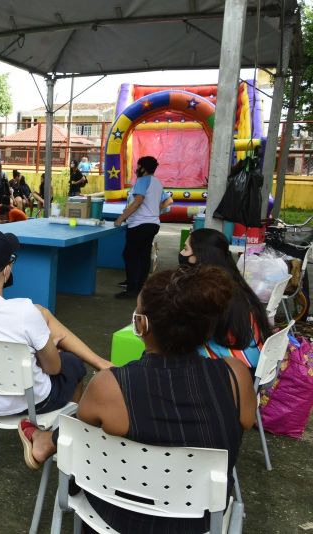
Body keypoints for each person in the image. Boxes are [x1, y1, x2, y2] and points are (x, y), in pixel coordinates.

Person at [19, 266, 256, 533]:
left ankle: (44, 441)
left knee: (86, 425)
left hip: (116, 515)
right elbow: (245, 420)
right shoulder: (235, 377)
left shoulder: (112, 385)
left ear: (141, 324)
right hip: (201, 520)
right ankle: (45, 442)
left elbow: (83, 433)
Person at [0, 229, 111, 416]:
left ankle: (100, 362)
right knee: (73, 364)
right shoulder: (24, 312)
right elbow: (54, 368)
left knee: (42, 313)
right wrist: (45, 353)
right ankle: (59, 434)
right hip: (32, 402)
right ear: (7, 270)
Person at [180, 228, 271, 370]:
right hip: (253, 358)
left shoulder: (210, 290)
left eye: (185, 249)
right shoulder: (233, 280)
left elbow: (190, 330)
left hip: (235, 367)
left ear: (199, 255)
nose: (182, 254)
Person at [114, 156, 169, 299]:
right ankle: (140, 287)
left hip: (140, 225)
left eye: (138, 166)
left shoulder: (142, 180)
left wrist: (121, 218)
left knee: (130, 255)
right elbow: (162, 202)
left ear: (143, 168)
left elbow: (138, 201)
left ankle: (132, 289)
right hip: (152, 224)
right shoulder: (157, 182)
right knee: (143, 256)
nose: (136, 169)